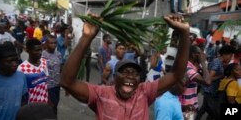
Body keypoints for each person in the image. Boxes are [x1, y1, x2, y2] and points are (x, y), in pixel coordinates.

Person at [60, 14, 190, 120]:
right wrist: (86, 37)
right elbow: (67, 82)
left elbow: (176, 75)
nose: (130, 76)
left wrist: (184, 33)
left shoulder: (144, 92)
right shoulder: (101, 94)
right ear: (115, 77)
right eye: (125, 72)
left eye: (135, 74)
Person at [196, 45, 235, 120]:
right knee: (213, 111)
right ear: (225, 54)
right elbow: (209, 78)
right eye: (230, 56)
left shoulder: (219, 62)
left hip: (210, 90)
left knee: (205, 109)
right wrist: (221, 76)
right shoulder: (217, 62)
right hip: (209, 91)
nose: (230, 59)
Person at [0, 42, 28, 120]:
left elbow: (23, 99)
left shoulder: (21, 76)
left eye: (16, 60)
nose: (15, 64)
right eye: (9, 61)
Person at [179, 45, 211, 120]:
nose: (202, 55)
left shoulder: (191, 67)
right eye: (200, 53)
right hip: (186, 106)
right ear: (194, 55)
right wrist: (203, 62)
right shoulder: (188, 68)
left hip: (190, 105)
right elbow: (207, 82)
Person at [17, 38, 49, 103]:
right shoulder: (21, 68)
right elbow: (20, 93)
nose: (40, 53)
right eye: (36, 50)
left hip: (44, 103)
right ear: (27, 50)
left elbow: (46, 83)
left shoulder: (44, 62)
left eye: (41, 50)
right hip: (31, 106)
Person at [42, 35, 62, 115]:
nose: (53, 45)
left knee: (56, 104)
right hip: (48, 86)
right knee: (52, 106)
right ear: (46, 44)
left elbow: (60, 68)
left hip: (57, 84)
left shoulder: (58, 54)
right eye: (51, 43)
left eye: (55, 43)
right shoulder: (43, 55)